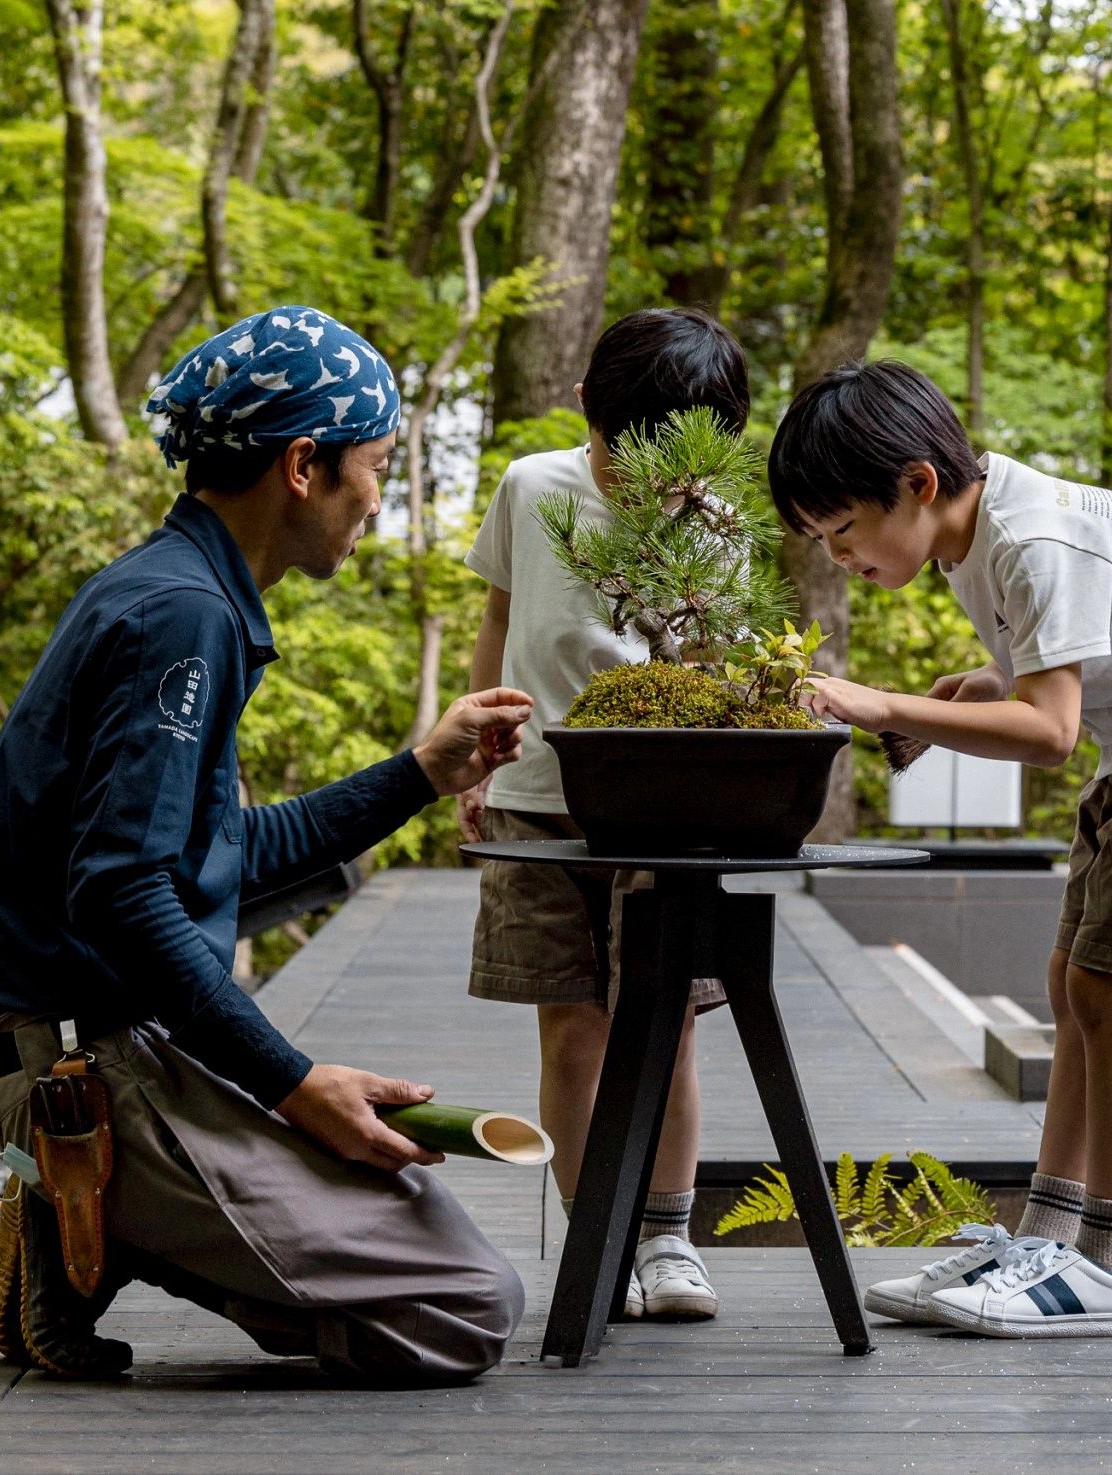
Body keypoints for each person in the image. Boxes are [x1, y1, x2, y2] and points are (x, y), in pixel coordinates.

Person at [0, 305, 531, 1384]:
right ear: (304, 463)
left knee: (435, 1251)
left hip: (107, 1038)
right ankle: (93, 1204)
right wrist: (293, 1081)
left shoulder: (175, 588)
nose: (377, 498)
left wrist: (420, 772)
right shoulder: (182, 617)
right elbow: (121, 894)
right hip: (89, 1065)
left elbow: (213, 855)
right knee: (464, 1307)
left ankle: (95, 1208)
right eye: (375, 465)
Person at [770, 361, 1112, 1337]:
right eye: (818, 539)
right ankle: (1047, 1239)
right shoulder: (980, 537)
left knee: (1108, 987)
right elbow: (1065, 663)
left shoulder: (1029, 535)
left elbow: (1049, 728)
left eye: (841, 528)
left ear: (917, 483)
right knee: (1070, 980)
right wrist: (972, 686)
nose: (836, 555)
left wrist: (878, 702)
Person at [456, 308, 751, 1321]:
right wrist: (473, 743)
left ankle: (667, 1233)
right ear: (583, 406)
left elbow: (714, 667)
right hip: (539, 796)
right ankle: (597, 1230)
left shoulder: (714, 524)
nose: (638, 474)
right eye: (621, 447)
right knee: (570, 1025)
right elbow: (497, 614)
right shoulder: (533, 486)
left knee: (663, 1027)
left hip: (667, 810)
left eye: (673, 455)